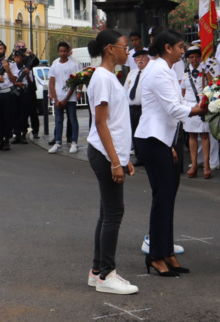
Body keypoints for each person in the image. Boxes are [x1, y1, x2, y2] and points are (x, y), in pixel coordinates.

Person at [134, 29, 206, 277]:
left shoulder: (165, 69)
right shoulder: (157, 71)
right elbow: (175, 110)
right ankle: (156, 256)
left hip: (162, 140)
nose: (183, 51)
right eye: (179, 47)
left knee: (167, 198)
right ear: (167, 48)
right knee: (162, 198)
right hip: (152, 139)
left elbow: (179, 105)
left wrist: (200, 106)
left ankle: (166, 252)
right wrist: (203, 110)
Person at [85, 29, 138, 295]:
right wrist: (115, 162)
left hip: (110, 153)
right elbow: (101, 123)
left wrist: (123, 158)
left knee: (108, 212)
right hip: (104, 154)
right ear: (109, 49)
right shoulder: (103, 77)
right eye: (124, 46)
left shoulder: (109, 76)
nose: (127, 51)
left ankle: (97, 272)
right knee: (114, 213)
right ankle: (106, 274)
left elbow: (116, 123)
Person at [181, 46, 211, 179]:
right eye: (191, 57)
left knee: (204, 135)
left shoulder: (205, 72)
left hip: (202, 107)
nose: (194, 60)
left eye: (196, 57)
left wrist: (207, 71)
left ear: (200, 58)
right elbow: (183, 91)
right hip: (190, 107)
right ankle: (194, 165)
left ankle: (207, 165)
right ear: (188, 59)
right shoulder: (186, 73)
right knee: (192, 135)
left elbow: (212, 85)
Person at [48, 41, 80, 154]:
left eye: (65, 51)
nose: (63, 53)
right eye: (61, 51)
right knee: (58, 121)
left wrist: (66, 98)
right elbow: (51, 83)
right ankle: (57, 142)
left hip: (69, 99)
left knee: (72, 120)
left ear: (68, 52)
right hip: (58, 99)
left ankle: (74, 142)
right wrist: (56, 99)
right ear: (58, 52)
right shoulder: (54, 65)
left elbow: (74, 83)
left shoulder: (73, 65)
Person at [0, 40, 18, 151]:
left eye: (0, 49)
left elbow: (14, 80)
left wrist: (7, 69)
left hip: (7, 94)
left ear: (5, 50)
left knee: (7, 118)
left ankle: (7, 140)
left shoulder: (11, 64)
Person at [10, 49, 32, 145]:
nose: (17, 59)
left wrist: (27, 74)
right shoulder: (11, 67)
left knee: (23, 113)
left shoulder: (26, 68)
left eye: (19, 57)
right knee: (15, 113)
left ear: (22, 58)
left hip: (23, 92)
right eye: (15, 57)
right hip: (14, 92)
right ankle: (17, 134)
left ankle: (23, 134)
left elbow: (30, 82)